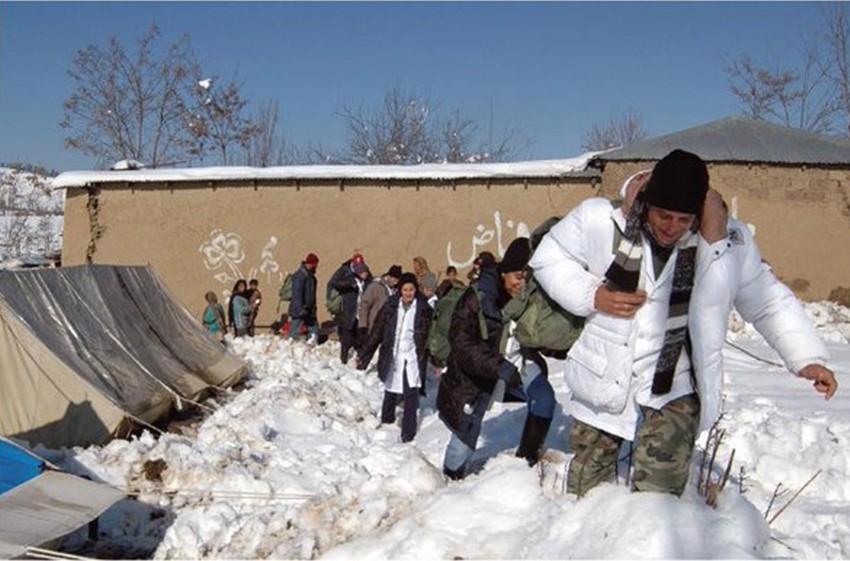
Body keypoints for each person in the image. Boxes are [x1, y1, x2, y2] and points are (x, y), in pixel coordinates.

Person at [529, 149, 838, 497]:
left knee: (658, 501)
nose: (671, 227)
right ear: (647, 203)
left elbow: (767, 299)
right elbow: (548, 258)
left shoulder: (726, 241)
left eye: (683, 219)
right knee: (585, 492)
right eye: (663, 215)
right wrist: (592, 295)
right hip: (605, 372)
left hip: (677, 381)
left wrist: (807, 357)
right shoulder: (600, 219)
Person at [436, 244, 528, 480]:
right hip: (468, 382)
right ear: (504, 272)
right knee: (464, 437)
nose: (521, 283)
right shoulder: (477, 298)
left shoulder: (512, 298)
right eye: (518, 276)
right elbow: (463, 344)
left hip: (490, 379)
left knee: (470, 430)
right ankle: (450, 482)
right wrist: (501, 367)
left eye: (526, 278)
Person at [357, 272, 433, 442]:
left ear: (415, 290)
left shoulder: (424, 310)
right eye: (405, 289)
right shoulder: (390, 307)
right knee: (390, 387)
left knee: (411, 393)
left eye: (411, 290)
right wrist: (364, 355)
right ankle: (387, 421)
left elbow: (431, 337)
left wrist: (437, 360)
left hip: (412, 357)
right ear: (400, 290)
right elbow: (377, 331)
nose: (408, 293)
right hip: (393, 353)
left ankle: (408, 433)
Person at [328, 254, 372, 363]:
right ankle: (343, 359)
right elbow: (334, 283)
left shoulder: (366, 276)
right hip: (348, 310)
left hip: (361, 312)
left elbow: (370, 282)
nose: (364, 273)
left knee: (360, 336)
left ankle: (358, 359)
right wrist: (350, 284)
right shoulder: (346, 273)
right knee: (346, 336)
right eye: (360, 270)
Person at [359, 264, 402, 340]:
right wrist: (363, 324)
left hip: (388, 330)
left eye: (397, 281)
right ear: (389, 276)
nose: (395, 283)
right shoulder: (375, 287)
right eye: (394, 280)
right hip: (373, 328)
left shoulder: (396, 290)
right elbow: (364, 305)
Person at [288, 253, 320, 344]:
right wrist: (300, 308)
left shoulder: (310, 276)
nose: (316, 266)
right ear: (312, 263)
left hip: (309, 309)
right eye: (315, 264)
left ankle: (311, 344)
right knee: (295, 330)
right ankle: (291, 346)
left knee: (314, 330)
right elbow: (297, 294)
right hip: (300, 309)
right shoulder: (300, 275)